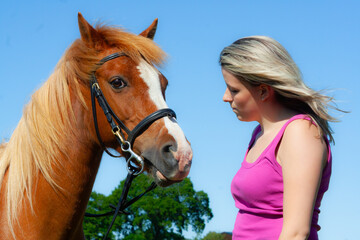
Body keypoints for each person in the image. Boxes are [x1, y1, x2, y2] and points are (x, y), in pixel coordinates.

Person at [219, 36, 343, 239]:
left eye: (234, 90)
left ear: (262, 91)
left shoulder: (301, 132)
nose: (225, 97)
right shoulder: (258, 135)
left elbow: (296, 233)